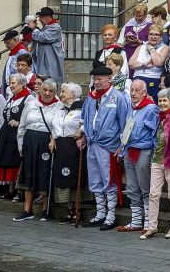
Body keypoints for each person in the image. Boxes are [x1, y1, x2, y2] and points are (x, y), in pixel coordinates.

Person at [78, 66, 131, 231]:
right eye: (95, 79)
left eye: (100, 79)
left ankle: (111, 216)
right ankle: (100, 213)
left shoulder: (119, 98)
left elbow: (126, 124)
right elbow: (85, 119)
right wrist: (82, 136)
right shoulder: (91, 98)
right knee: (95, 180)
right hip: (92, 144)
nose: (97, 82)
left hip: (109, 146)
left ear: (109, 79)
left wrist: (122, 146)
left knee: (109, 181)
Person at [141, 88, 170, 240]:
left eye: (165, 100)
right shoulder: (159, 116)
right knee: (153, 193)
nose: (162, 103)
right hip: (157, 159)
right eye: (160, 100)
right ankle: (152, 226)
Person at [13, 78, 62, 221]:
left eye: (51, 91)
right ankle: (27, 210)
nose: (47, 93)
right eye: (44, 90)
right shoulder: (31, 104)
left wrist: (54, 140)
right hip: (29, 141)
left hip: (46, 143)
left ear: (55, 92)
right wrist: (20, 146)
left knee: (45, 173)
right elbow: (22, 126)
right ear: (40, 90)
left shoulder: (59, 106)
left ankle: (45, 210)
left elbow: (58, 127)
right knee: (29, 173)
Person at [116, 80, 159, 232]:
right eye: (132, 90)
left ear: (144, 92)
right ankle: (135, 221)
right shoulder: (131, 107)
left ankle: (149, 221)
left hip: (143, 151)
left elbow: (153, 132)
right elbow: (127, 128)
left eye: (137, 90)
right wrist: (122, 146)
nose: (133, 93)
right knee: (132, 187)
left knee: (144, 186)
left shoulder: (151, 108)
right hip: (129, 150)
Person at [48, 82, 86, 223]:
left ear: (72, 94)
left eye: (63, 92)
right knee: (63, 176)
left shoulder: (81, 108)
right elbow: (54, 126)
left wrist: (82, 133)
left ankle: (78, 210)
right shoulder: (61, 108)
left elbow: (86, 123)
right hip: (61, 146)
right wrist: (53, 139)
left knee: (74, 176)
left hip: (73, 145)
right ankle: (69, 209)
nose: (61, 94)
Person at [0, 73, 33, 201]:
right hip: (7, 134)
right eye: (10, 83)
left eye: (13, 83)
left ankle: (17, 191)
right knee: (7, 160)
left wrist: (19, 123)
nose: (10, 86)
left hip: (18, 134)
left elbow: (31, 117)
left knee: (15, 161)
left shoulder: (29, 98)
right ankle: (9, 190)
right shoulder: (12, 98)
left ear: (22, 84)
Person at [129, 24, 168, 102]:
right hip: (138, 79)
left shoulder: (165, 48)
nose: (153, 37)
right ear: (147, 35)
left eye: (156, 35)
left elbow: (158, 62)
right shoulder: (140, 47)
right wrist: (143, 65)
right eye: (151, 34)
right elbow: (131, 63)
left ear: (161, 37)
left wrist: (151, 49)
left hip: (153, 80)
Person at [31, 6, 64, 84]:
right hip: (44, 64)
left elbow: (42, 37)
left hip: (50, 65)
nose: (39, 19)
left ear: (48, 17)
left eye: (41, 17)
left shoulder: (55, 27)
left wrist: (34, 29)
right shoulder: (47, 27)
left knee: (49, 86)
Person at [120, 4, 154, 70]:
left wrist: (140, 42)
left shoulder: (151, 26)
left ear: (146, 15)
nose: (138, 18)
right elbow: (120, 43)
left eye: (140, 16)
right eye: (136, 16)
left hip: (142, 54)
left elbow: (154, 43)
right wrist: (125, 41)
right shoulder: (129, 25)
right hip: (128, 53)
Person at [1, 31, 28, 96]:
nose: (7, 46)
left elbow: (24, 71)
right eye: (5, 43)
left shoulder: (22, 52)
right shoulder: (12, 53)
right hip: (10, 85)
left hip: (17, 86)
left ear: (15, 40)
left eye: (8, 42)